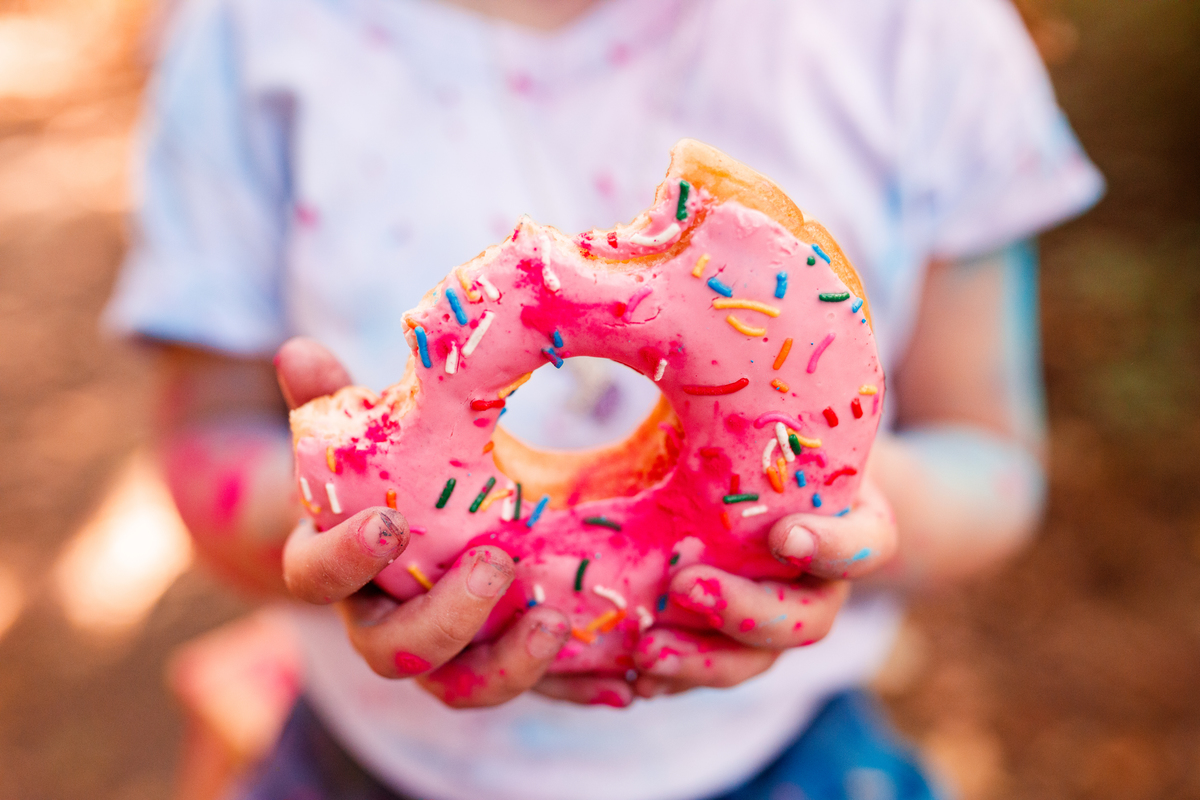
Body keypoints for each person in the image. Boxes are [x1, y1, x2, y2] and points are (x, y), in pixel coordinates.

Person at [105, 0, 1104, 797]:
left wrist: (842, 508)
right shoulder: (249, 33)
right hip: (365, 761)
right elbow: (207, 435)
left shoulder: (918, 34)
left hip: (787, 756)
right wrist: (351, 524)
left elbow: (995, 457)